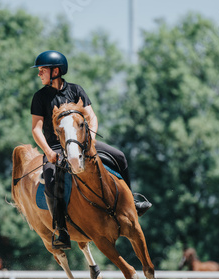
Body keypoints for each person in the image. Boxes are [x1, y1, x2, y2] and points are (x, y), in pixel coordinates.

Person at [30, 50, 151, 250]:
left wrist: (91, 139)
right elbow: (36, 128)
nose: (39, 74)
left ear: (56, 71)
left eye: (42, 70)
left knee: (119, 156)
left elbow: (92, 117)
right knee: (51, 178)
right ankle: (61, 229)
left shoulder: (76, 90)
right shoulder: (39, 97)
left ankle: (133, 203)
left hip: (83, 143)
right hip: (56, 148)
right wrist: (48, 153)